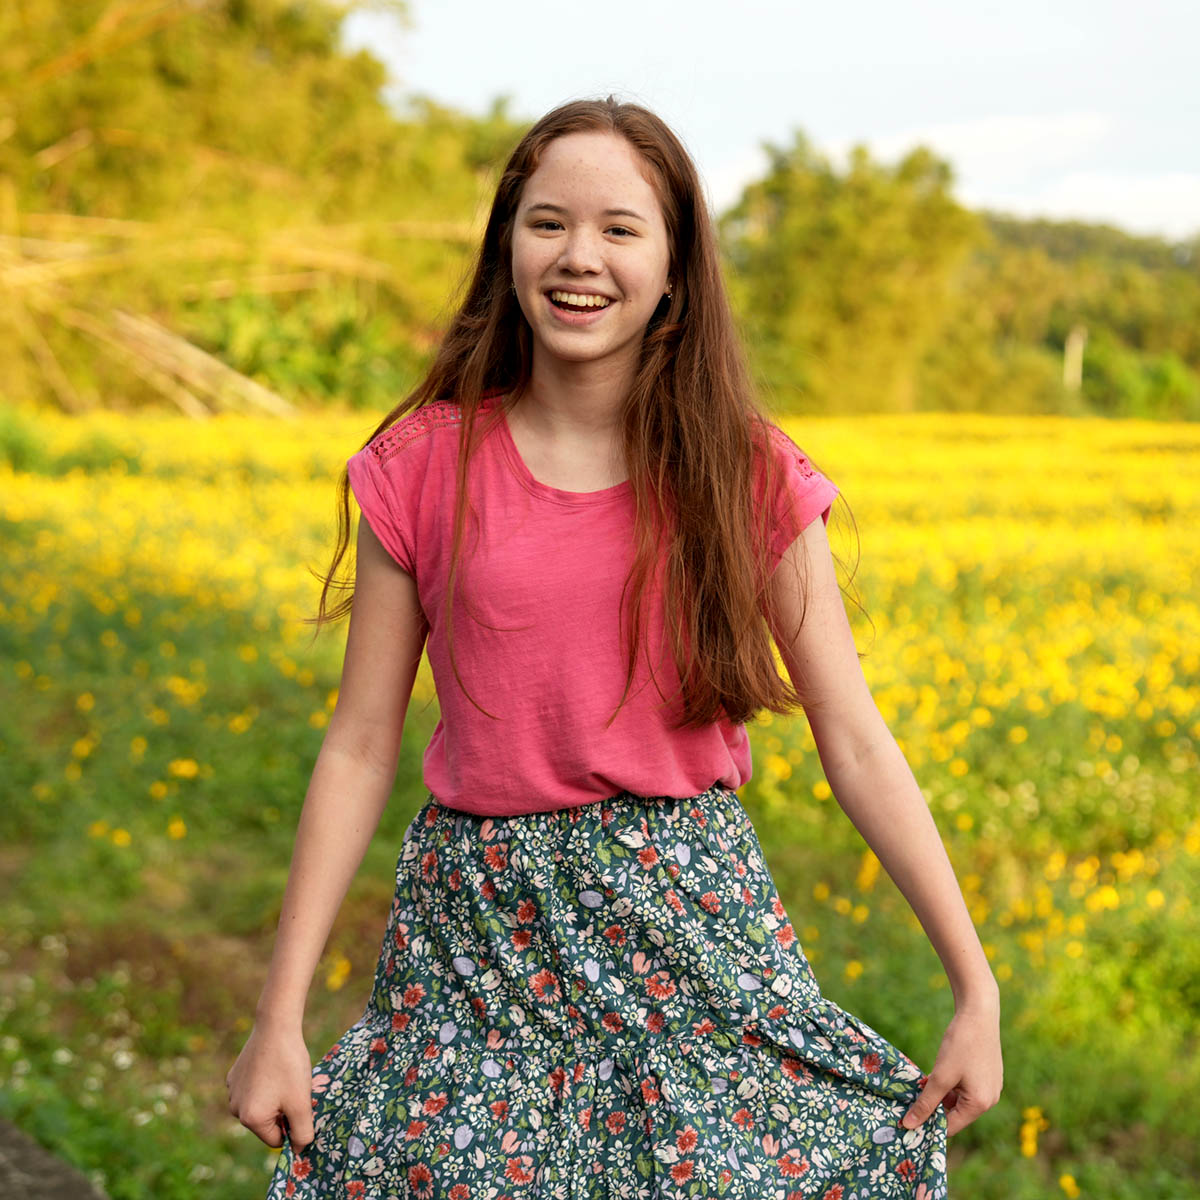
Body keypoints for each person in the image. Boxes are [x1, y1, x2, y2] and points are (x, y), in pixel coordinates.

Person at [227, 96, 1002, 1199]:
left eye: (620, 229)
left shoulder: (749, 475)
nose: (579, 257)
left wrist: (977, 990)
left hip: (691, 935)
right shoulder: (421, 465)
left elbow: (858, 741)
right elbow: (358, 746)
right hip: (477, 946)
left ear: (676, 263)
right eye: (547, 223)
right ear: (508, 246)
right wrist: (279, 1016)